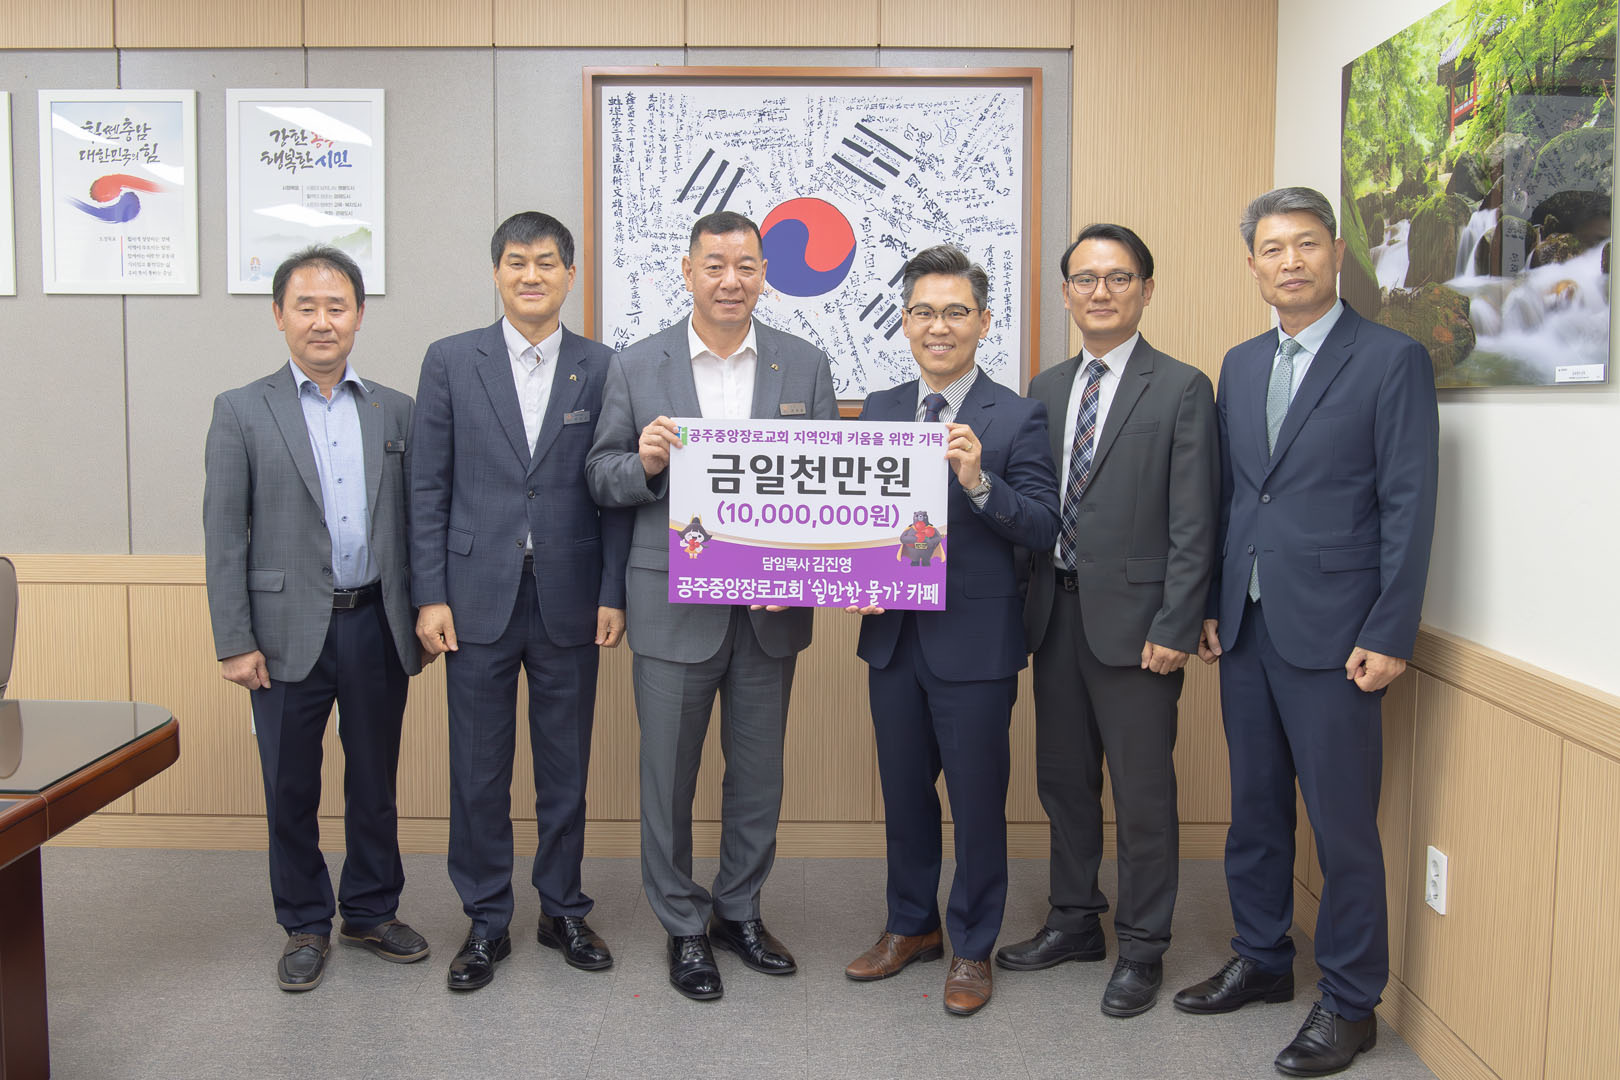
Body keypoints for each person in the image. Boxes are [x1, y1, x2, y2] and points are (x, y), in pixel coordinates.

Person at [1174, 187, 1438, 1077]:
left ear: (1336, 254)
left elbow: (1409, 503)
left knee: (1341, 825)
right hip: (1248, 624)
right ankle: (1261, 958)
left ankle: (1352, 1002)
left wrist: (1391, 628)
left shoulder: (1391, 360)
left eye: (1307, 244)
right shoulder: (1243, 363)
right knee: (1254, 811)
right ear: (1252, 264)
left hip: (1341, 634)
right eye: (1273, 248)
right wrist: (1213, 603)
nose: (1290, 262)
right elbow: (1235, 496)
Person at [585, 210, 837, 1001]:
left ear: (765, 275)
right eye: (716, 265)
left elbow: (828, 483)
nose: (732, 280)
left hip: (771, 609)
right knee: (668, 779)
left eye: (746, 266)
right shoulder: (637, 365)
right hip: (671, 605)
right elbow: (599, 475)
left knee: (758, 777)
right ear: (688, 272)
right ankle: (683, 925)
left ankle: (740, 911)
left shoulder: (804, 364)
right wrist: (646, 463)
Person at [998, 224, 1218, 1018]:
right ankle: (1073, 920)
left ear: (1146, 290)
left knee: (1142, 795)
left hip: (1140, 628)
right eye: (1086, 279)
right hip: (1053, 615)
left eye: (1118, 277)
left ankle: (1144, 946)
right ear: (1065, 294)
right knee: (1063, 783)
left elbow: (1195, 518)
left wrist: (1177, 621)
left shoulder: (1182, 387)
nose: (1101, 291)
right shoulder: (1047, 386)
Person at [411, 212, 630, 991]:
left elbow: (615, 494)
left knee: (565, 769)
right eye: (515, 262)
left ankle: (563, 908)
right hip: (474, 598)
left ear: (570, 275)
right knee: (478, 771)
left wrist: (613, 591)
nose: (530, 275)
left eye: (545, 262)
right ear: (496, 273)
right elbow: (427, 486)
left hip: (571, 595)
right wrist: (430, 595)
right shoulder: (450, 360)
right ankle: (485, 919)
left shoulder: (603, 365)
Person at [203, 245, 429, 992]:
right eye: (306, 307)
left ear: (359, 316)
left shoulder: (396, 409)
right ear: (279, 315)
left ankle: (369, 909)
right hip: (281, 634)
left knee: (375, 781)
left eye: (337, 307)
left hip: (375, 624)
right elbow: (223, 533)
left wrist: (423, 609)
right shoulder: (241, 409)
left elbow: (418, 521)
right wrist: (234, 640)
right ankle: (304, 921)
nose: (322, 321)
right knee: (290, 785)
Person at [842, 244, 1060, 1016]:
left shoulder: (1017, 414)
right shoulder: (879, 408)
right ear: (904, 322)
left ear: (984, 322)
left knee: (975, 802)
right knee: (904, 797)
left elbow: (1043, 526)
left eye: (956, 312)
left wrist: (978, 482)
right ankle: (911, 926)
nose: (940, 326)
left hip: (976, 642)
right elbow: (857, 520)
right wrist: (851, 575)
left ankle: (972, 946)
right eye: (925, 312)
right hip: (893, 639)